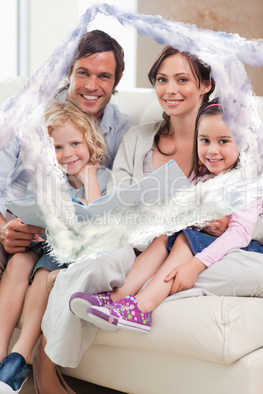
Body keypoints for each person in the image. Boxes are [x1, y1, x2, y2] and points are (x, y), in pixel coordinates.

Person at [0, 30, 132, 393]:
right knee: (19, 261)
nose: (91, 84)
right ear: (68, 72)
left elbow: (106, 204)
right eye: (83, 73)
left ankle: (23, 357)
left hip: (69, 243)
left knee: (40, 267)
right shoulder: (29, 111)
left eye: (103, 75)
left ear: (117, 80)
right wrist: (6, 226)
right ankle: (4, 363)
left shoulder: (120, 133)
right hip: (20, 227)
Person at [78, 99, 263, 333]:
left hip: (242, 248)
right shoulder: (202, 176)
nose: (212, 150)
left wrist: (196, 265)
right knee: (165, 235)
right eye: (204, 140)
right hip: (200, 241)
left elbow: (240, 234)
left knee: (185, 237)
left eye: (223, 141)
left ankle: (142, 307)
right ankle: (117, 297)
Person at [0, 99, 112, 393]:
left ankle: (20, 357)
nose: (67, 154)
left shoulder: (102, 177)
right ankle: (1, 357)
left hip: (71, 253)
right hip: (46, 243)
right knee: (17, 263)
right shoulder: (45, 180)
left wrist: (88, 177)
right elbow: (38, 217)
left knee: (42, 274)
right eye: (56, 148)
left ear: (90, 141)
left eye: (75, 143)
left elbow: (96, 216)